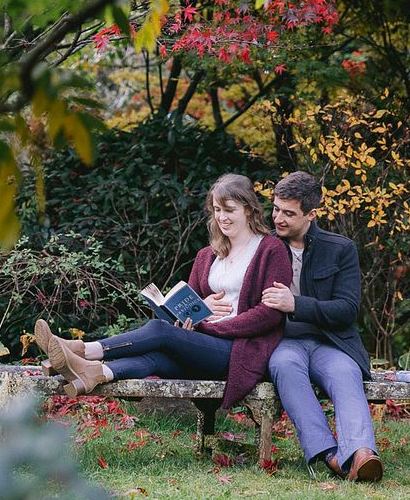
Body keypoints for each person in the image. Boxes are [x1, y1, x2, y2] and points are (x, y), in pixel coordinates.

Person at [38, 174, 291, 416]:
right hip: (201, 345)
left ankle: (81, 350)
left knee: (159, 331)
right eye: (216, 209)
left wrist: (212, 328)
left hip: (238, 351)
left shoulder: (270, 249)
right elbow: (191, 302)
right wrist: (192, 316)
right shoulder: (207, 254)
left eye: (229, 209)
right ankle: (95, 373)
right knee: (156, 359)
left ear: (248, 209)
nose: (222, 217)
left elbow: (269, 315)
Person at [261, 171, 382, 482]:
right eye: (276, 209)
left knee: (345, 372)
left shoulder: (339, 248)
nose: (279, 218)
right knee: (285, 367)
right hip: (284, 341)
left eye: (289, 213)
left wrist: (296, 304)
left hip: (331, 341)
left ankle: (362, 454)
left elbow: (347, 310)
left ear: (311, 215)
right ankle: (330, 456)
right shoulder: (264, 246)